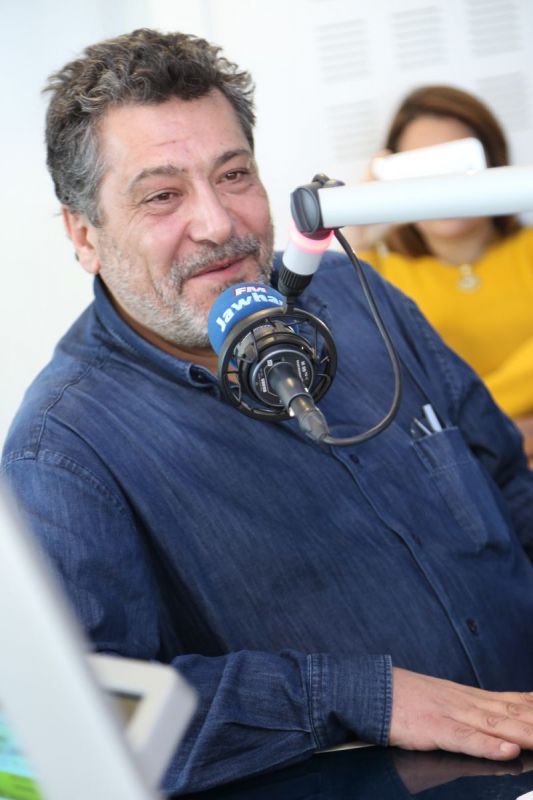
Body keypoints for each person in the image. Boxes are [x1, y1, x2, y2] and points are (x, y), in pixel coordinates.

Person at [3, 29, 533, 796]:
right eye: (162, 195)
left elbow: (508, 489)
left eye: (234, 175)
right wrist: (358, 696)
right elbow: (89, 723)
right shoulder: (61, 452)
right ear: (84, 235)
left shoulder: (356, 295)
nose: (219, 224)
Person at [344, 85, 533, 465]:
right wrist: (358, 230)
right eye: (422, 170)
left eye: (457, 164)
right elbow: (382, 391)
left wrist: (470, 422)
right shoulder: (377, 274)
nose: (443, 185)